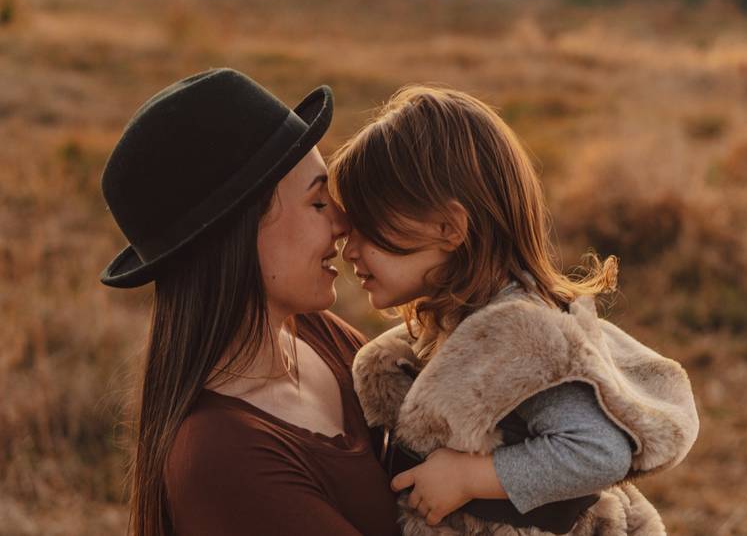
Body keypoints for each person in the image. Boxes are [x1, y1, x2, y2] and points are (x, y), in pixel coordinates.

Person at [328, 86, 699, 535]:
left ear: (449, 228)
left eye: (367, 228)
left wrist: (470, 478)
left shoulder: (523, 337)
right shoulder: (456, 322)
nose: (349, 249)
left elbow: (599, 450)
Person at [99, 68, 400, 536]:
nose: (343, 224)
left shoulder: (322, 336)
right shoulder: (222, 458)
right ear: (242, 230)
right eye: (318, 203)